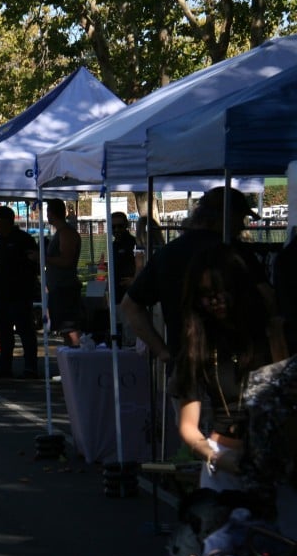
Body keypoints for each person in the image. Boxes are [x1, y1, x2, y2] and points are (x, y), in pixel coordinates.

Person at [173, 245, 282, 492]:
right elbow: (188, 426)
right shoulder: (199, 344)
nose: (214, 301)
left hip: (277, 463)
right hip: (224, 462)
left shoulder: (272, 334)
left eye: (221, 290)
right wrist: (216, 457)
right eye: (204, 294)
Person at [121, 187, 269, 365]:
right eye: (240, 218)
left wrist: (162, 351)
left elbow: (130, 306)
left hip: (185, 367)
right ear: (226, 216)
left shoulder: (168, 253)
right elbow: (268, 298)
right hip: (233, 365)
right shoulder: (236, 252)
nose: (242, 225)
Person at [0, 206, 40, 379]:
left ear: (6, 221)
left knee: (25, 330)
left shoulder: (24, 240)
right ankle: (5, 366)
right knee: (4, 332)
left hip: (19, 294)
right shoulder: (0, 241)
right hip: (1, 294)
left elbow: (33, 266)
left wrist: (24, 285)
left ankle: (31, 367)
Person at [44, 198, 83, 346]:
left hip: (65, 288)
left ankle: (77, 360)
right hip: (58, 288)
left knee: (70, 329)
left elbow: (66, 260)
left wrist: (44, 258)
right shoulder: (60, 232)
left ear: (51, 213)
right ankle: (71, 361)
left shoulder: (66, 233)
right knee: (64, 329)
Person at [109, 211, 136, 305]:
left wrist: (134, 279)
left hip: (130, 293)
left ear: (126, 225)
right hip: (116, 292)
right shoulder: (113, 245)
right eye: (113, 227)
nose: (116, 229)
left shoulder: (133, 243)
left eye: (120, 226)